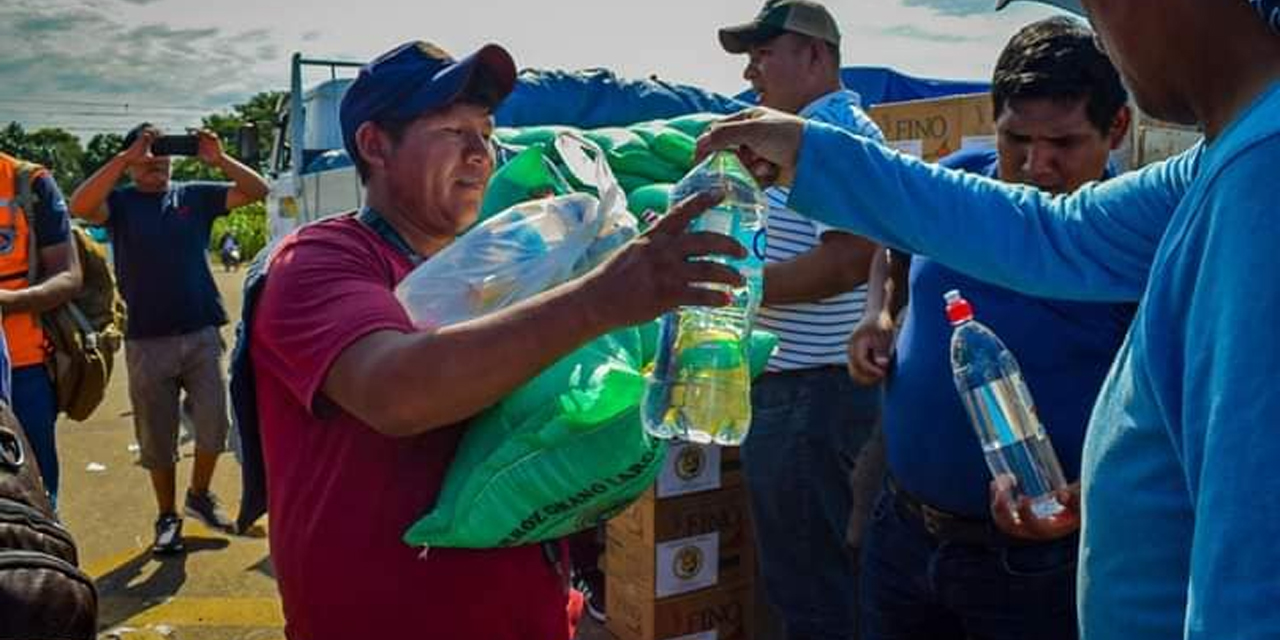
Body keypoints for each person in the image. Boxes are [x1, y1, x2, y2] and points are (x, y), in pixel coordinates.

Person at [698, 0, 1280, 637]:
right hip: (913, 530)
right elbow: (1054, 231)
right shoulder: (1225, 158)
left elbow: (1254, 564)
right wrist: (812, 154)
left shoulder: (1262, 177)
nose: (1105, 37)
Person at [248, 41, 747, 640]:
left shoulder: (500, 265)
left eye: (485, 132)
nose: (481, 153)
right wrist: (600, 299)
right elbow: (396, 393)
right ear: (375, 145)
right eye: (453, 131)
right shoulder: (321, 262)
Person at [844, 17, 1133, 640]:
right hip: (902, 534)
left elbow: (1171, 412)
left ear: (1118, 130)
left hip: (1035, 570)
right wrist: (880, 312)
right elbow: (891, 245)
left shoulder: (1130, 242)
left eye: (1064, 144)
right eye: (1016, 139)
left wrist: (1089, 494)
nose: (1036, 165)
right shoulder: (960, 180)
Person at [717, 2, 883, 638]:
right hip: (802, 395)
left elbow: (847, 260)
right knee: (806, 576)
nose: (753, 69)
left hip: (813, 396)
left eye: (765, 52)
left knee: (811, 587)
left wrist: (735, 293)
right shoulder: (801, 133)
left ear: (816, 56)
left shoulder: (832, 137)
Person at [68, 125, 269, 554]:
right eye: (147, 151)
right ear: (131, 158)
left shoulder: (192, 195)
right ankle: (167, 515)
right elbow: (80, 205)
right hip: (146, 338)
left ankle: (199, 496)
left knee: (214, 426)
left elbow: (257, 189)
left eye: (163, 151)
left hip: (199, 332)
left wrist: (218, 159)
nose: (156, 158)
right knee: (158, 437)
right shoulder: (120, 204)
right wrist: (125, 160)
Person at [0, 153, 83, 508]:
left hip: (22, 371)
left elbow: (68, 275)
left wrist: (7, 302)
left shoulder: (27, 182)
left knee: (35, 496)